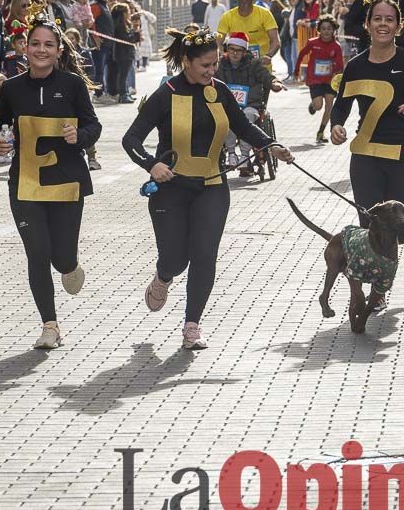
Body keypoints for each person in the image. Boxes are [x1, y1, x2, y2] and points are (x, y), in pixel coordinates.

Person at [122, 27, 293, 349]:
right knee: (175, 259)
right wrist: (151, 165)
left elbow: (243, 126)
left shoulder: (220, 90)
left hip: (213, 187)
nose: (212, 71)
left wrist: (271, 146)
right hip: (171, 188)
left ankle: (192, 326)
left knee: (204, 255)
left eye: (215, 64)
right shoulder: (167, 93)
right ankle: (163, 276)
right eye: (205, 66)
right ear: (186, 62)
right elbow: (130, 139)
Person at [0, 11, 101, 349]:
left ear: (59, 50)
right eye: (35, 44)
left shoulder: (72, 85)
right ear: (26, 48)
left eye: (48, 45)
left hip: (66, 180)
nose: (41, 50)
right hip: (25, 183)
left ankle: (69, 263)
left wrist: (78, 136)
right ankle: (50, 325)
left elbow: (93, 125)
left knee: (61, 258)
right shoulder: (10, 88)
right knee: (37, 253)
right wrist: (0, 140)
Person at [331, 0, 404, 253]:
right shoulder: (355, 66)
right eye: (378, 19)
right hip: (366, 157)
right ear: (368, 24)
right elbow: (341, 105)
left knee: (402, 232)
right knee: (371, 228)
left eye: (389, 19)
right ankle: (376, 294)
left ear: (397, 25)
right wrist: (336, 125)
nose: (383, 24)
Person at [217, 32, 282, 176]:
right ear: (227, 49)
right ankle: (232, 153)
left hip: (250, 106)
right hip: (227, 107)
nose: (234, 53)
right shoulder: (220, 65)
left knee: (246, 115)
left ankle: (245, 155)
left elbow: (266, 77)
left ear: (244, 51)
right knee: (226, 117)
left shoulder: (254, 65)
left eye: (238, 50)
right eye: (231, 49)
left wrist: (274, 82)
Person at [294, 14, 344, 144]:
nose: (326, 31)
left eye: (329, 28)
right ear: (319, 30)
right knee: (318, 105)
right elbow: (301, 54)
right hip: (315, 79)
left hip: (330, 81)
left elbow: (340, 65)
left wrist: (339, 76)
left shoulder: (336, 46)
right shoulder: (313, 43)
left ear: (333, 30)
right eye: (323, 28)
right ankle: (313, 105)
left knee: (329, 106)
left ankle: (321, 132)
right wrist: (296, 70)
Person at [218, 0, 280, 66]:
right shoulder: (227, 16)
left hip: (260, 69)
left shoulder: (265, 14)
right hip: (237, 69)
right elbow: (218, 42)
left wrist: (268, 55)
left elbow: (276, 41)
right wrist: (221, 54)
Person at [109, 3, 140, 103]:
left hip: (127, 53)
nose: (130, 13)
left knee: (124, 75)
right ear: (123, 13)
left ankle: (125, 93)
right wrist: (135, 33)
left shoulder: (125, 24)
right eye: (127, 12)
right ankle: (123, 95)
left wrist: (135, 33)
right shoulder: (119, 25)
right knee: (122, 75)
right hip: (123, 53)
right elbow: (127, 39)